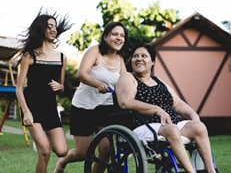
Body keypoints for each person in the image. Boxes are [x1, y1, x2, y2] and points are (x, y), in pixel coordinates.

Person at [115, 43, 217, 173]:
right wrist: (156, 109)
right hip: (143, 126)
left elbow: (177, 103)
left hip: (169, 125)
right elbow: (125, 102)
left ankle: (210, 170)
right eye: (135, 56)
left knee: (199, 127)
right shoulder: (128, 77)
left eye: (144, 56)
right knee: (172, 130)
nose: (139, 58)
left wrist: (194, 116)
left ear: (152, 62)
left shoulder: (158, 81)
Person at [54, 21, 129, 173]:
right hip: (84, 107)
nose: (119, 38)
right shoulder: (95, 51)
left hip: (106, 109)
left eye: (122, 35)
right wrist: (97, 84)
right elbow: (81, 73)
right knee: (83, 153)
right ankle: (62, 162)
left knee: (106, 150)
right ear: (106, 36)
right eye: (115, 34)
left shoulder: (121, 60)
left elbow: (124, 82)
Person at [16, 8, 73, 173]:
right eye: (49, 26)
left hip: (50, 108)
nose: (53, 29)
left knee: (62, 151)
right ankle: (41, 140)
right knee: (45, 151)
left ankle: (42, 137)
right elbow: (19, 89)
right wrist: (26, 112)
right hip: (32, 107)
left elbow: (62, 87)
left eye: (54, 26)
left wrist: (61, 87)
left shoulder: (62, 57)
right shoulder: (29, 56)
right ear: (41, 29)